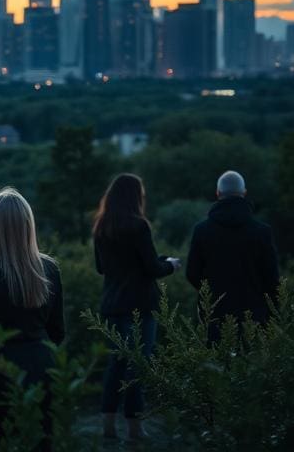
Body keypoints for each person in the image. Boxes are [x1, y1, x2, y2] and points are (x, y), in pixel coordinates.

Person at [0, 187, 64, 450]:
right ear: (28, 225)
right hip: (43, 369)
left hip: (0, 375)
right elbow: (58, 332)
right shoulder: (49, 269)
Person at [92, 173, 180, 441]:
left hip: (111, 306)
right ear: (135, 197)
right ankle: (134, 429)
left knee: (115, 367)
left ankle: (108, 426)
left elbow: (101, 268)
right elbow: (152, 267)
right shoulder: (139, 226)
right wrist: (171, 265)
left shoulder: (102, 226)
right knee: (137, 368)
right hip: (139, 307)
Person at [186, 170, 280, 332]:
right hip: (254, 317)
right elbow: (272, 278)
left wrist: (210, 295)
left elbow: (192, 273)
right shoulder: (262, 232)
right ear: (244, 193)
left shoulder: (202, 230)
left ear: (217, 193)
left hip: (214, 316)